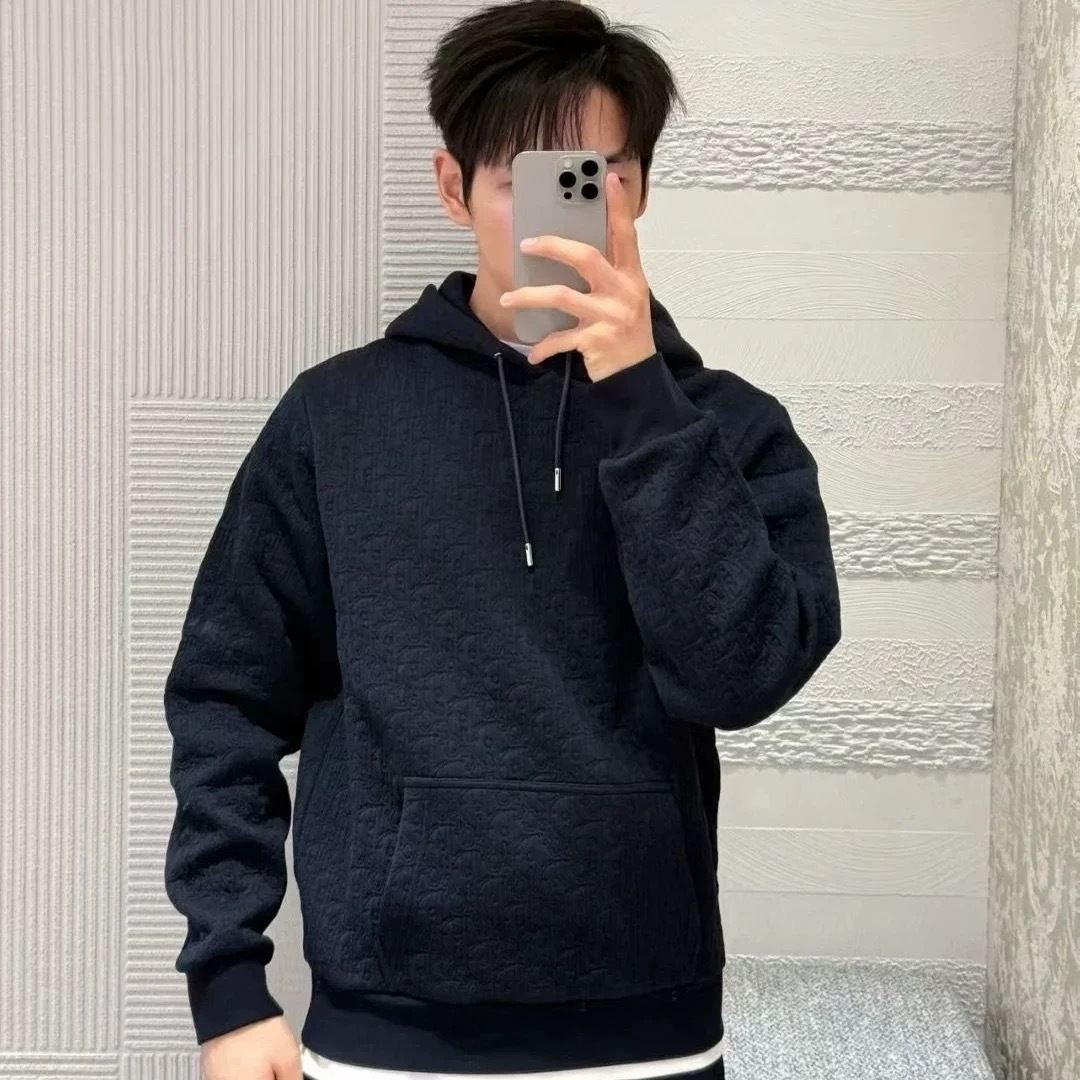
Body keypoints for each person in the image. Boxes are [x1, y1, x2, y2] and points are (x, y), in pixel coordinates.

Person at [162, 3, 843, 1079]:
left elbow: (743, 675)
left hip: (649, 1035)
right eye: (526, 182)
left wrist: (644, 405)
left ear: (640, 189)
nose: (563, 217)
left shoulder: (727, 429)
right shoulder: (338, 418)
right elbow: (225, 698)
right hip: (386, 1034)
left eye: (596, 177)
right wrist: (229, 983)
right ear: (453, 187)